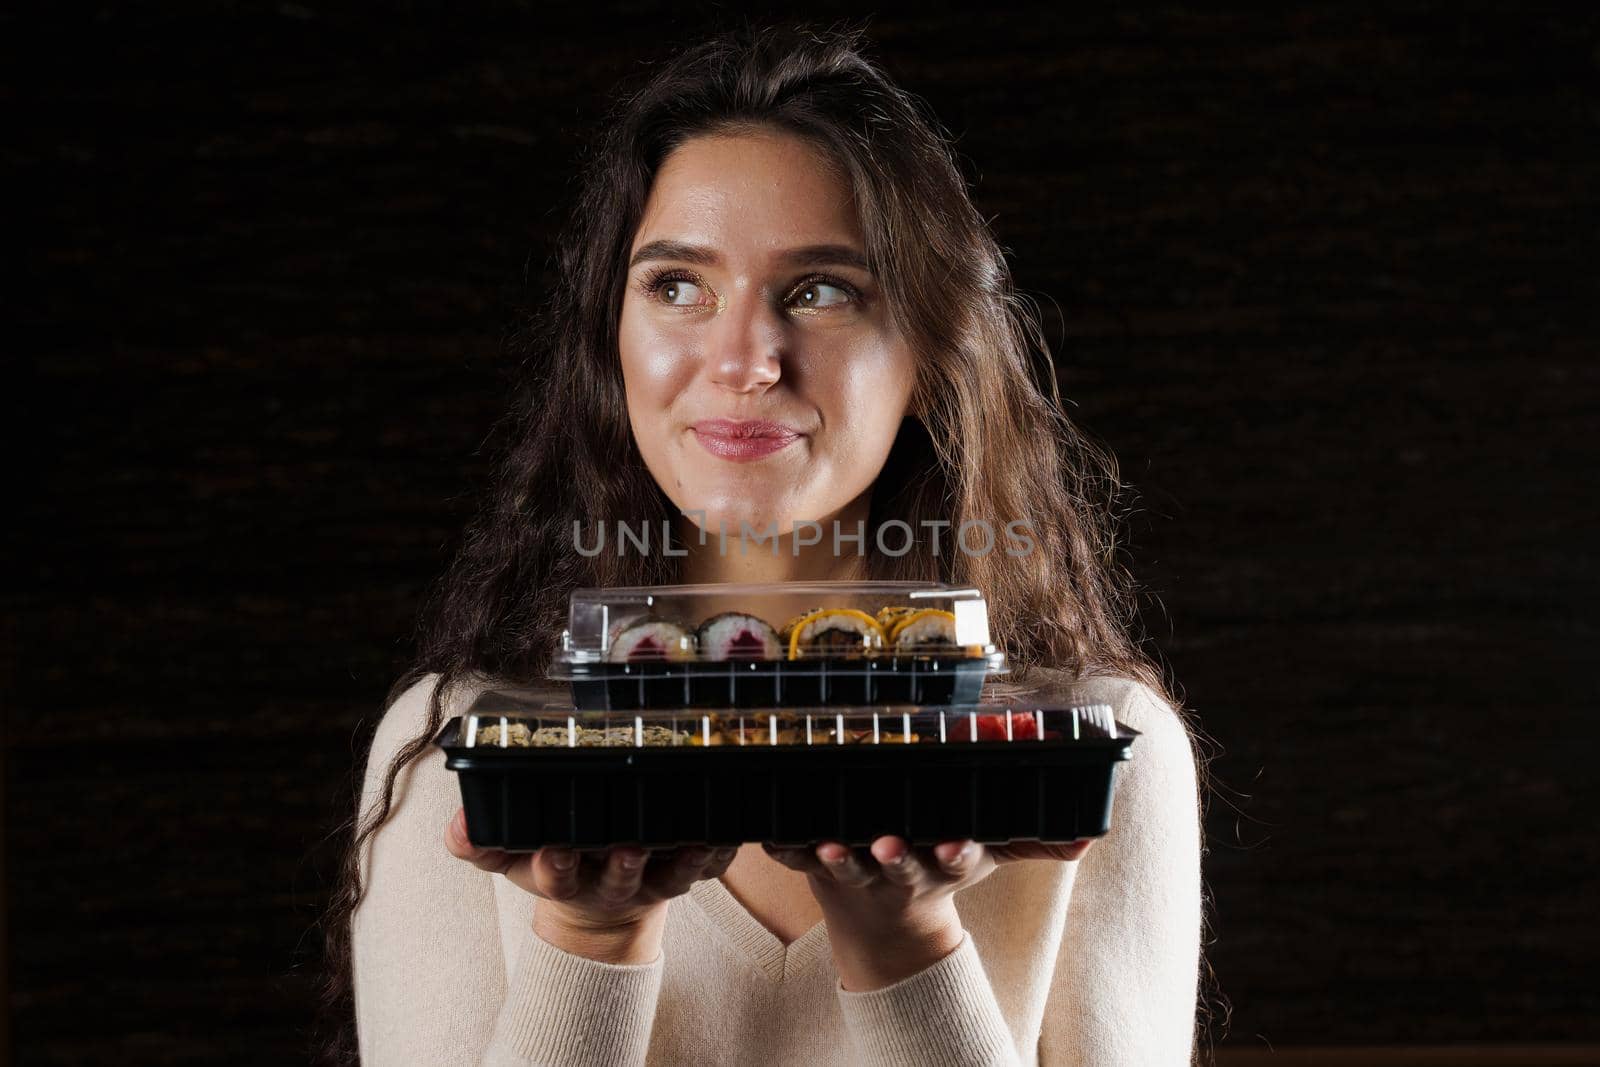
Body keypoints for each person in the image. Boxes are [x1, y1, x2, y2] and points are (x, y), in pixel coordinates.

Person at [317, 20, 1205, 1067]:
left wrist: (909, 947)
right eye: (676, 285)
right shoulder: (454, 747)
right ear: (612, 334)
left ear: (928, 347)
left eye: (820, 289)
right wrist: (589, 939)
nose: (742, 359)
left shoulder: (1099, 749)